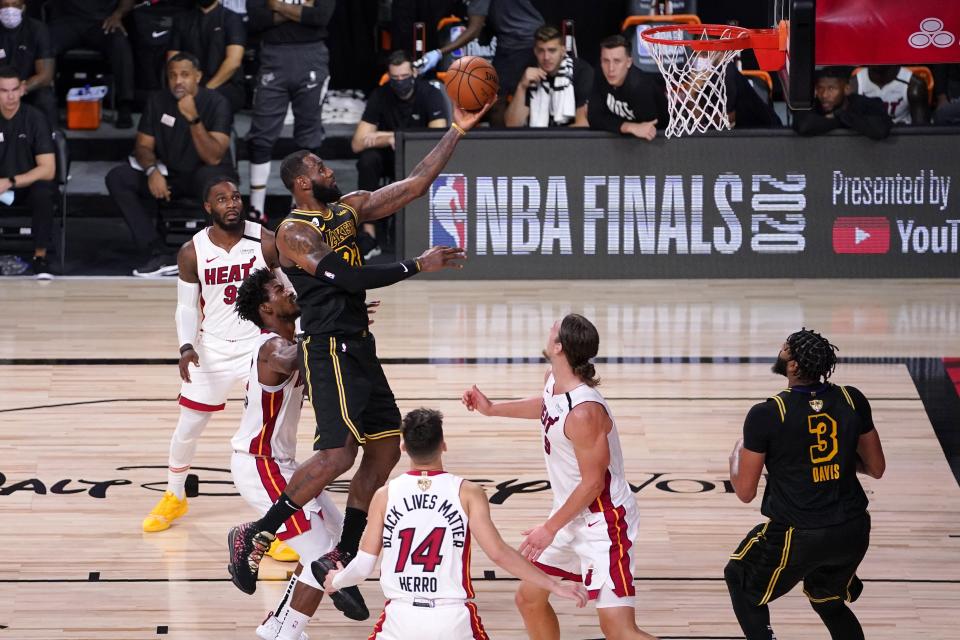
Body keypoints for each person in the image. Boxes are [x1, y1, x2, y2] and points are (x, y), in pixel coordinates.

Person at [226, 98, 494, 620]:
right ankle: (255, 533)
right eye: (319, 169)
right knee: (337, 456)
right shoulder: (294, 232)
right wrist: (418, 263)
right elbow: (346, 278)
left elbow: (414, 184)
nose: (329, 172)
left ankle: (343, 549)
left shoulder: (346, 209)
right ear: (301, 183)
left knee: (386, 446)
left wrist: (457, 129)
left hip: (357, 343)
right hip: (327, 348)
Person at [461, 314, 658, 640]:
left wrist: (548, 529)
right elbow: (547, 406)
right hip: (570, 515)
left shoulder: (585, 413)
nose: (547, 332)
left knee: (619, 631)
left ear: (559, 346)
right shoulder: (553, 380)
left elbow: (593, 483)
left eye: (552, 331)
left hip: (604, 522)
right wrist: (492, 408)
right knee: (529, 598)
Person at [317, 407, 589, 640]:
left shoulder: (385, 495)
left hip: (400, 619)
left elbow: (363, 566)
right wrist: (554, 585)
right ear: (443, 444)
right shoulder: (468, 492)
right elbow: (498, 553)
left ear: (402, 446)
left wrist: (336, 580)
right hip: (452, 619)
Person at [141, 178, 287, 548]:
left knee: (270, 434)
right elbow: (186, 306)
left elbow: (290, 293)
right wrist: (186, 346)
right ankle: (175, 495)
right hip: (213, 348)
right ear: (208, 208)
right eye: (221, 199)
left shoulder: (266, 241)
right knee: (188, 426)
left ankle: (279, 519)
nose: (231, 203)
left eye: (235, 196)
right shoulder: (193, 251)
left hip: (260, 345)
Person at [724, 328, 886, 640]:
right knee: (827, 600)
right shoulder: (853, 399)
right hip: (852, 528)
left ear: (795, 366)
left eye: (784, 349)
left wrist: (736, 457)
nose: (780, 351)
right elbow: (876, 468)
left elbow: (745, 492)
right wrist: (835, 457)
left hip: (800, 532)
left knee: (741, 579)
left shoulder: (767, 414)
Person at [232, 267, 345, 640]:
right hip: (260, 465)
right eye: (280, 289)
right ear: (266, 307)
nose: (289, 290)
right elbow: (293, 358)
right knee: (322, 554)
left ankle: (277, 623)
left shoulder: (291, 339)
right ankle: (287, 634)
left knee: (340, 537)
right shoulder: (272, 348)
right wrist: (335, 321)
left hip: (281, 463)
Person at [105, 52, 236, 277]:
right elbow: (143, 146)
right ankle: (157, 254)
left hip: (205, 174)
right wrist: (151, 170)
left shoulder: (216, 102)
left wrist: (193, 118)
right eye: (172, 75)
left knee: (214, 183)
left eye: (184, 75)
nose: (178, 81)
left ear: (198, 76)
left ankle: (221, 256)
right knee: (118, 177)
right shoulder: (158, 101)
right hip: (169, 174)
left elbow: (213, 156)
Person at [351, 49, 447, 259]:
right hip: (389, 158)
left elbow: (437, 138)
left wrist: (396, 136)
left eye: (404, 77)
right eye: (395, 78)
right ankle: (369, 235)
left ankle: (421, 232)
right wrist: (389, 139)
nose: (400, 82)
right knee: (367, 160)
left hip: (420, 160)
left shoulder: (430, 94)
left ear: (414, 72)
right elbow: (358, 143)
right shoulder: (381, 95)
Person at [245, 0, 335, 221]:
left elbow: (320, 17)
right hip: (273, 54)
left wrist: (277, 6)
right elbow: (257, 19)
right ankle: (256, 210)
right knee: (261, 136)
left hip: (311, 54)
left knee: (308, 135)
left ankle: (301, 206)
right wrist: (301, 11)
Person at [415, 0, 544, 127]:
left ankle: (502, 142)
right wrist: (489, 31)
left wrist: (439, 53)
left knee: (496, 102)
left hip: (519, 44)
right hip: (519, 39)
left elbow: (474, 30)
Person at [0, 64, 55, 278]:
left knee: (44, 191)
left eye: (14, 90)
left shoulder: (35, 118)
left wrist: (10, 181)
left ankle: (40, 257)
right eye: (4, 91)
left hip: (26, 186)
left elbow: (48, 169)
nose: (10, 97)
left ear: (22, 89)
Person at [46, 0, 136, 128]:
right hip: (66, 21)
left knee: (120, 43)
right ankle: (46, 103)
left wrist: (117, 15)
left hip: (101, 22)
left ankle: (125, 106)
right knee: (45, 42)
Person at [504, 24, 593, 128]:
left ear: (563, 50)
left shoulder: (581, 72)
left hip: (570, 142)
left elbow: (583, 124)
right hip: (535, 141)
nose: (546, 57)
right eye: (541, 51)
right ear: (535, 51)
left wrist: (551, 142)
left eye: (552, 50)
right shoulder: (527, 72)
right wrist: (522, 86)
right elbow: (512, 125)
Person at [168, 0, 246, 115]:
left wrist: (204, 91)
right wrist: (185, 86)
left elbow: (233, 62)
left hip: (225, 86)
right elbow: (172, 60)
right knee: (162, 102)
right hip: (187, 84)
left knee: (205, 105)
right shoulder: (181, 19)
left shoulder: (232, 18)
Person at [588, 35, 666, 141]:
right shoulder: (600, 73)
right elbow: (594, 118)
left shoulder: (640, 87)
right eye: (605, 61)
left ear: (629, 62)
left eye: (617, 61)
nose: (610, 68)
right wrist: (628, 127)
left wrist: (624, 126)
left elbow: (648, 129)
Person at [793, 67, 892, 140]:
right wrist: (841, 121)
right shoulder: (813, 104)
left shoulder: (865, 103)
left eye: (831, 89)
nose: (824, 95)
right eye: (820, 88)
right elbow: (803, 126)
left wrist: (840, 115)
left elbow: (881, 130)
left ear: (847, 89)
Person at [0, 0, 56, 128]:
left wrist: (21, 89)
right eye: (4, 5)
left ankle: (49, 140)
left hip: (27, 88)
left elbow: (46, 75)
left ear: (23, 7)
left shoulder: (37, 29)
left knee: (45, 97)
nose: (9, 10)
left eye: (15, 5)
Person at [850, 65, 929, 125]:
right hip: (867, 139)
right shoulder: (855, 84)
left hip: (903, 136)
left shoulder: (913, 85)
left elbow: (921, 132)